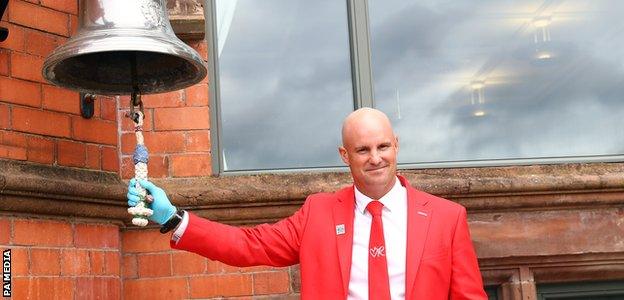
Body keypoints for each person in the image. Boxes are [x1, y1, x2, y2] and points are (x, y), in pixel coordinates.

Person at [127, 108, 487, 299]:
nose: (375, 158)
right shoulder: (318, 213)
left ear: (396, 146)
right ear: (345, 155)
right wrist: (174, 218)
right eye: (363, 149)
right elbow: (248, 246)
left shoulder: (446, 217)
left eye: (383, 147)